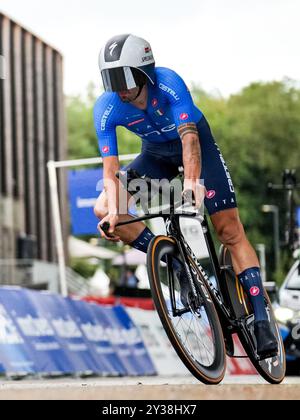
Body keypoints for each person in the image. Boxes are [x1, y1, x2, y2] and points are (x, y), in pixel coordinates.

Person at [93, 34, 277, 359]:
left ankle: (261, 317)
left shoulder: (168, 84)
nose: (118, 87)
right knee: (105, 209)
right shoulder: (107, 108)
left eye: (125, 76)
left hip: (196, 147)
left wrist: (192, 185)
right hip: (155, 156)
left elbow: (190, 142)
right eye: (111, 78)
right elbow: (111, 170)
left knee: (229, 231)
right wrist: (113, 213)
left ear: (145, 72)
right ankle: (172, 261)